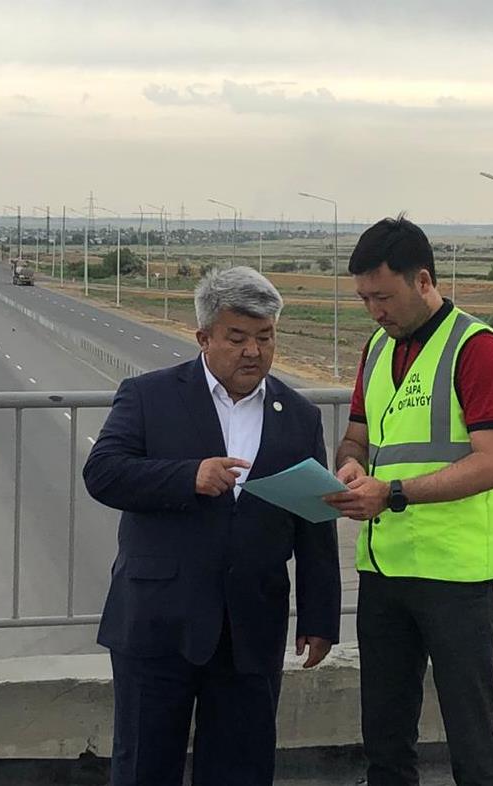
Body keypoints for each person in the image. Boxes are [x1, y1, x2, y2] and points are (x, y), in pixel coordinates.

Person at [83, 266, 341, 786]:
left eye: (265, 337)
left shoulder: (297, 415)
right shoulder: (149, 395)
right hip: (158, 622)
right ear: (203, 338)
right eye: (237, 337)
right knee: (144, 767)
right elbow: (103, 473)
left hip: (251, 627)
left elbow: (314, 520)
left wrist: (320, 617)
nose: (253, 351)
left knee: (241, 769)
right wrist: (188, 477)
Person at [326, 216, 493, 786]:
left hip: (456, 577)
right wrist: (350, 465)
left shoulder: (477, 348)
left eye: (383, 297)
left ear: (424, 281)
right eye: (364, 299)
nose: (374, 311)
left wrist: (393, 493)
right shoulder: (376, 349)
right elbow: (357, 436)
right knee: (385, 741)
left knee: (473, 744)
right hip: (385, 569)